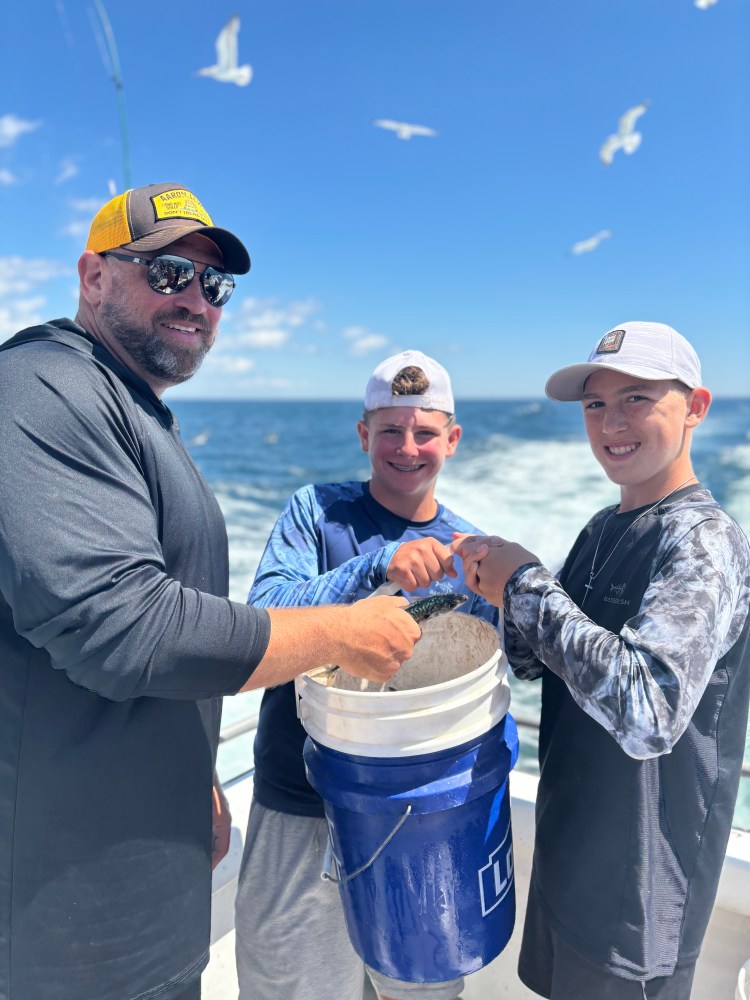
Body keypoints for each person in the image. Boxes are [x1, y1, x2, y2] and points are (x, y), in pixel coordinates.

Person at [0, 183, 421, 1000]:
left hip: (147, 888)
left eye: (214, 286)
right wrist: (340, 633)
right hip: (63, 923)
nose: (195, 299)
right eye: (165, 273)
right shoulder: (40, 390)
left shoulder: (133, 406)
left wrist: (191, 778)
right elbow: (128, 625)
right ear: (93, 276)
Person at [453, 321, 750, 1000]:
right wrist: (495, 590)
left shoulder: (705, 544)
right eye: (595, 405)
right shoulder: (601, 527)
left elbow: (646, 711)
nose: (611, 422)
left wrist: (525, 584)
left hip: (638, 906)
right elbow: (541, 665)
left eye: (637, 398)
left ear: (696, 407)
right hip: (572, 865)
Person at [234, 350, 500, 1000]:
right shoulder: (314, 512)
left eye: (425, 431)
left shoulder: (472, 549)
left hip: (425, 820)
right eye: (389, 430)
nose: (407, 448)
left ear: (453, 439)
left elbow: (508, 664)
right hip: (299, 802)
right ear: (363, 435)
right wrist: (378, 564)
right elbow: (264, 616)